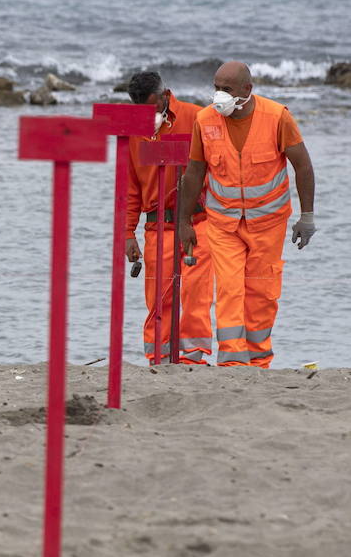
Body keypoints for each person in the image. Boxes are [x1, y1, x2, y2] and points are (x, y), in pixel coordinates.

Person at [177, 61, 316, 367]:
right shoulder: (205, 120)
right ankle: (232, 361)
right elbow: (195, 171)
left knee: (262, 292)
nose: (219, 96)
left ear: (246, 90)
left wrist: (307, 216)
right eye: (216, 88)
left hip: (268, 223)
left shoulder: (276, 116)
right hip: (223, 223)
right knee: (228, 287)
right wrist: (184, 221)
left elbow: (303, 165)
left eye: (226, 90)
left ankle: (258, 359)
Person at [123, 71, 213, 364]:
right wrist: (127, 233)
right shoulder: (133, 128)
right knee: (159, 299)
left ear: (165, 95)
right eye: (140, 111)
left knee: (196, 296)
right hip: (156, 226)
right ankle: (158, 361)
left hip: (198, 223)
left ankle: (193, 359)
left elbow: (217, 170)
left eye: (152, 108)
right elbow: (130, 187)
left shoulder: (197, 117)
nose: (147, 116)